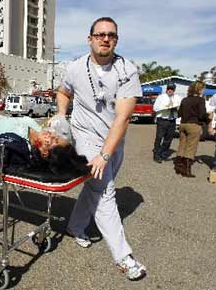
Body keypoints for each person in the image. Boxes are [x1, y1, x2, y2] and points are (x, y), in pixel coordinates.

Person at [55, 17, 146, 281]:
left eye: (111, 35)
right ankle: (123, 257)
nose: (105, 39)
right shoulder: (74, 67)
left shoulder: (127, 70)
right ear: (90, 38)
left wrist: (107, 153)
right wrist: (62, 115)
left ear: (116, 39)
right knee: (104, 191)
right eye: (100, 34)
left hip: (114, 140)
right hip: (85, 137)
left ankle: (75, 226)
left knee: (94, 187)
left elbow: (123, 117)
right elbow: (63, 92)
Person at [175, 81, 209, 177]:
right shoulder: (200, 100)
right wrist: (208, 117)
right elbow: (202, 115)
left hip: (183, 124)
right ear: (199, 89)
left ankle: (178, 166)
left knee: (182, 145)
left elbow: (179, 113)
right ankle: (186, 169)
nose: (204, 90)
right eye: (203, 88)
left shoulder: (185, 99)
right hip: (194, 125)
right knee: (191, 147)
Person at [152, 82, 182, 163]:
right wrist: (166, 107)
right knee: (159, 138)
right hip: (162, 120)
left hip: (172, 120)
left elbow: (180, 106)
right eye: (168, 89)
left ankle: (163, 153)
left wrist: (176, 108)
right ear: (166, 89)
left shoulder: (177, 97)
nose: (170, 90)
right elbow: (155, 108)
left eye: (172, 89)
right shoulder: (161, 97)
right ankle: (156, 155)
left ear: (174, 90)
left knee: (169, 138)